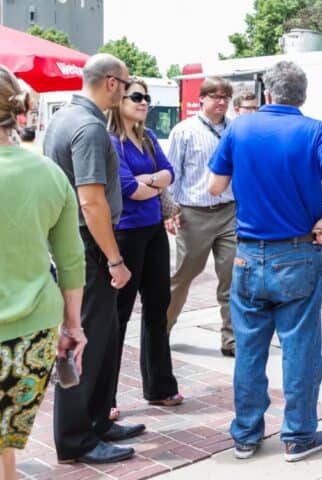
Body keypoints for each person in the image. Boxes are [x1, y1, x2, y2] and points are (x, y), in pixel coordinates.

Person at [207, 61, 322, 462]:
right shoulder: (316, 131)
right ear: (301, 96)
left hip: (247, 253)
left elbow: (213, 186)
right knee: (300, 348)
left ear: (267, 93)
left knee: (250, 350)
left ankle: (245, 434)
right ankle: (298, 434)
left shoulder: (239, 128)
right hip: (297, 252)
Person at [44, 54, 145, 464]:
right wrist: (116, 260)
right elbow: (91, 202)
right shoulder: (88, 127)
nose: (127, 91)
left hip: (79, 243)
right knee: (84, 342)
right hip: (87, 247)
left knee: (100, 339)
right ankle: (76, 440)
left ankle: (98, 420)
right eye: (125, 84)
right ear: (109, 83)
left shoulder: (64, 118)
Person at [0, 66, 87, 478]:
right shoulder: (50, 175)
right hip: (32, 337)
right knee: (5, 444)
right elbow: (71, 261)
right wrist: (74, 326)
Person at [106, 78, 182, 423]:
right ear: (118, 100)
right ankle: (103, 396)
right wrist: (154, 181)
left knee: (157, 307)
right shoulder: (111, 141)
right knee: (117, 315)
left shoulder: (149, 138)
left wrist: (148, 181)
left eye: (147, 97)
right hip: (125, 234)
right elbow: (126, 189)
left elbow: (171, 173)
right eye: (136, 96)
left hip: (152, 231)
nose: (144, 102)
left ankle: (159, 386)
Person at [165, 78, 237, 357]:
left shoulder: (235, 129)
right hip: (193, 214)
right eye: (216, 96)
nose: (221, 102)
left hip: (229, 212)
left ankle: (231, 339)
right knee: (183, 275)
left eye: (226, 97)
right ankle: (162, 329)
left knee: (232, 277)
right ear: (203, 98)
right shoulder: (184, 131)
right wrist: (169, 210)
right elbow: (173, 173)